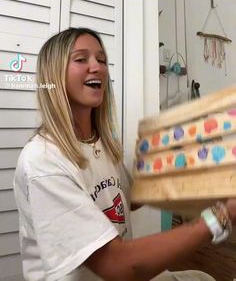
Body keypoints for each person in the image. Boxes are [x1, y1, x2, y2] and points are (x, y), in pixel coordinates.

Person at [14, 27, 236, 281]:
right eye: (81, 59)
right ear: (53, 74)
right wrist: (221, 216)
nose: (96, 67)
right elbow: (117, 264)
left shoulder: (101, 144)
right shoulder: (43, 161)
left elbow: (125, 199)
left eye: (101, 59)